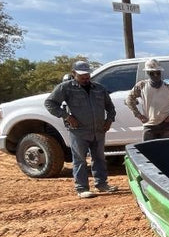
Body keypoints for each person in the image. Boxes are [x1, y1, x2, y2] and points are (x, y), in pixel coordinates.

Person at [44, 60, 118, 199]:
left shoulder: (99, 88)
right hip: (79, 131)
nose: (85, 78)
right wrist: (66, 116)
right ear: (74, 74)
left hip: (98, 130)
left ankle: (102, 184)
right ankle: (82, 188)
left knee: (99, 158)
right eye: (82, 75)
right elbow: (50, 103)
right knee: (80, 160)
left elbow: (110, 107)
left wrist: (109, 120)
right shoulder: (66, 88)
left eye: (87, 75)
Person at [125, 58, 169, 141]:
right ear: (147, 73)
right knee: (148, 152)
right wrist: (138, 115)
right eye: (152, 73)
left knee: (166, 151)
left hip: (166, 125)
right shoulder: (141, 86)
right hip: (149, 126)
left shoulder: (168, 88)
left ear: (161, 73)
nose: (155, 75)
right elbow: (129, 99)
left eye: (158, 73)